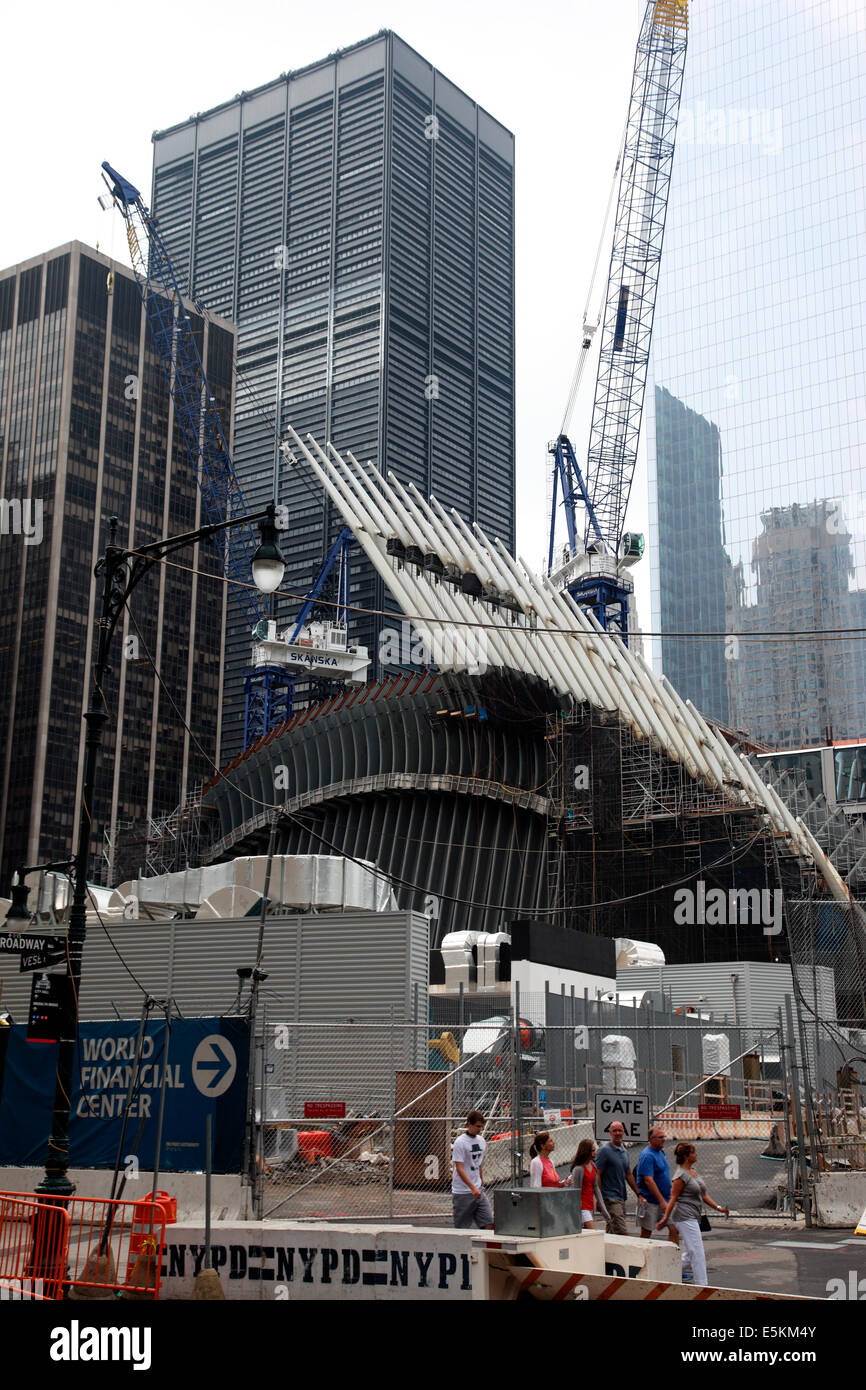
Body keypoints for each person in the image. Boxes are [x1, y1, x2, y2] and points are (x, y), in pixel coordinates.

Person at [656, 1141, 729, 1286]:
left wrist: (718, 1208)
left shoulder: (693, 1172)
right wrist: (665, 1219)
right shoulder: (680, 1176)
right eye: (693, 1153)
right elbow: (673, 1198)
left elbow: (703, 1195)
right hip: (684, 1216)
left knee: (690, 1254)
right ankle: (702, 1285)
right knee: (697, 1252)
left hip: (693, 1216)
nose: (696, 1155)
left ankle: (667, 1273)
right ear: (686, 1156)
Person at [595, 1121, 640, 1235]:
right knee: (622, 1233)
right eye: (614, 1131)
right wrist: (599, 1199)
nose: (617, 1133)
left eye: (620, 1130)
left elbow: (628, 1174)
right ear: (610, 1133)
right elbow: (597, 1174)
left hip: (621, 1197)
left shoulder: (624, 1151)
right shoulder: (604, 1151)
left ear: (624, 1132)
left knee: (612, 1231)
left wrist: (638, 1193)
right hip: (610, 1198)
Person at [451, 1109, 494, 1229]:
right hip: (463, 1192)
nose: (479, 1129)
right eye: (477, 1126)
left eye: (481, 1127)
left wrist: (480, 1182)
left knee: (489, 1223)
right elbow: (459, 1168)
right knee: (462, 1227)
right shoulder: (460, 1142)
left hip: (478, 1190)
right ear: (469, 1124)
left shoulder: (481, 1141)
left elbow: (478, 1163)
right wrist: (472, 1187)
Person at [634, 1125, 673, 1240]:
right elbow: (648, 1180)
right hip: (651, 1202)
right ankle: (641, 1251)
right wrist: (661, 1201)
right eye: (660, 1137)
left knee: (674, 1229)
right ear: (651, 1139)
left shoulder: (661, 1153)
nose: (663, 1139)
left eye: (664, 1137)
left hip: (666, 1199)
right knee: (646, 1233)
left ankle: (674, 1250)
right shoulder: (647, 1156)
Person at [570, 1138, 610, 1230]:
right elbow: (575, 1192)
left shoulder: (593, 1166)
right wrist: (576, 1212)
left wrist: (605, 1212)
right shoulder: (579, 1169)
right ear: (586, 1152)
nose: (595, 1153)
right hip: (582, 1207)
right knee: (592, 1232)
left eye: (595, 1150)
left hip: (590, 1206)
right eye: (592, 1151)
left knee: (586, 1234)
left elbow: (596, 1188)